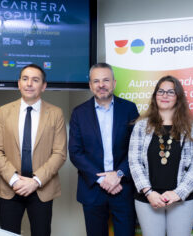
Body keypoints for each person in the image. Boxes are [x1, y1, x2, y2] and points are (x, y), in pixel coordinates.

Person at [0, 64, 67, 236]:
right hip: (10, 188)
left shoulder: (55, 113)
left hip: (42, 188)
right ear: (19, 84)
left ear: (43, 86)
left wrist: (35, 181)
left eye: (35, 80)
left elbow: (60, 153)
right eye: (25, 79)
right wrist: (14, 180)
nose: (29, 83)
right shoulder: (4, 111)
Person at [128, 75, 193, 236]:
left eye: (170, 92)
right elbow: (134, 161)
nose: (164, 95)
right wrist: (149, 192)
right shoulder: (141, 126)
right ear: (155, 95)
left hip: (183, 200)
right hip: (148, 199)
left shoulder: (189, 127)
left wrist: (178, 193)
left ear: (178, 98)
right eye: (161, 91)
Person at [69, 62, 139, 236]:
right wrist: (103, 180)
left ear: (114, 83)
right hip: (93, 189)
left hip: (122, 187)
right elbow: (76, 152)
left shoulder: (129, 109)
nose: (101, 85)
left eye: (106, 80)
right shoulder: (79, 113)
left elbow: (136, 148)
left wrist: (119, 174)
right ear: (91, 85)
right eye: (96, 81)